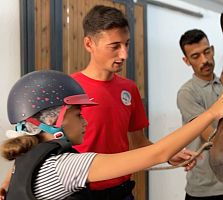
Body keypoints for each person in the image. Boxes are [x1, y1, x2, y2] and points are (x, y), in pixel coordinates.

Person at [0, 70, 223, 200]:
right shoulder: (64, 168)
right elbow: (158, 153)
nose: (85, 121)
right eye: (77, 114)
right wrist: (212, 113)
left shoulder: (25, 160)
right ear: (51, 122)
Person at [71, 5, 196, 199]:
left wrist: (168, 155)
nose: (124, 55)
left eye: (126, 44)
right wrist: (14, 177)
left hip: (122, 192)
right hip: (80, 193)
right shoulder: (69, 88)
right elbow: (44, 146)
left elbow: (138, 142)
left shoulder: (129, 89)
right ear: (89, 44)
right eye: (115, 46)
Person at [177, 29, 223, 200]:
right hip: (204, 188)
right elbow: (209, 134)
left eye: (206, 52)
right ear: (186, 61)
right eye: (195, 56)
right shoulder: (187, 93)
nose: (204, 60)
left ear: (212, 50)